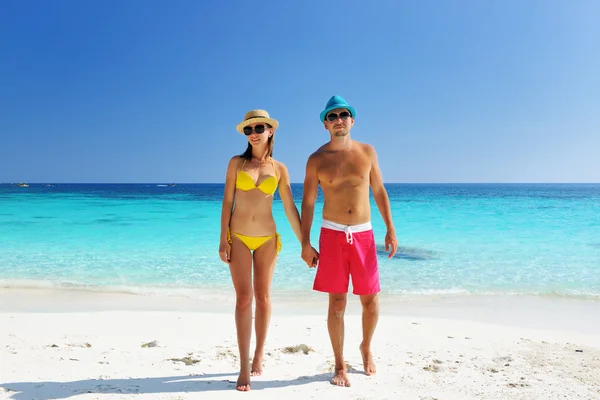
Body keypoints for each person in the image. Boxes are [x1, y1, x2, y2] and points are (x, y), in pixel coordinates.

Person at [300, 95, 398, 387]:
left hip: (364, 234)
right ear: (325, 125)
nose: (338, 119)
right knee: (337, 302)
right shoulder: (316, 159)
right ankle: (340, 364)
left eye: (343, 114)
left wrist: (390, 229)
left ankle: (366, 347)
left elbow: (379, 191)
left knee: (370, 299)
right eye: (332, 116)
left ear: (352, 120)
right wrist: (305, 243)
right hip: (331, 234)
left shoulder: (367, 152)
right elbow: (307, 203)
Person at [219, 109, 306, 391]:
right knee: (244, 299)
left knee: (263, 297)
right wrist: (224, 238)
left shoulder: (280, 168)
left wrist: (305, 242)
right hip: (240, 236)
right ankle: (244, 365)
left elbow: (290, 208)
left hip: (267, 238)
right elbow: (227, 203)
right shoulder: (236, 163)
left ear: (271, 131)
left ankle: (259, 354)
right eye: (249, 129)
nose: (254, 133)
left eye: (259, 128)